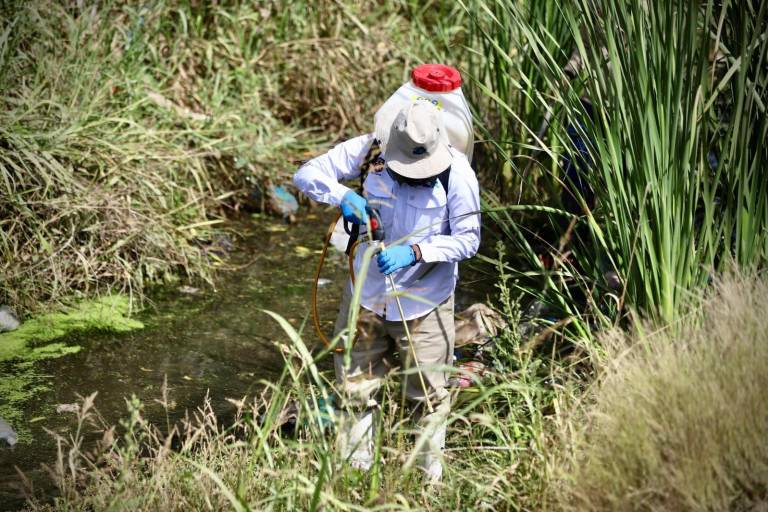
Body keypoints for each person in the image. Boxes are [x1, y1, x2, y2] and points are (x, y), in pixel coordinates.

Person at [293, 101, 481, 482]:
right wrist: (341, 195)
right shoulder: (369, 150)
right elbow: (306, 174)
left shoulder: (457, 174)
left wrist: (415, 251)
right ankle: (353, 476)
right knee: (354, 389)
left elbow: (468, 240)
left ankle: (429, 484)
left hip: (424, 302)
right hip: (365, 296)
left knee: (427, 397)